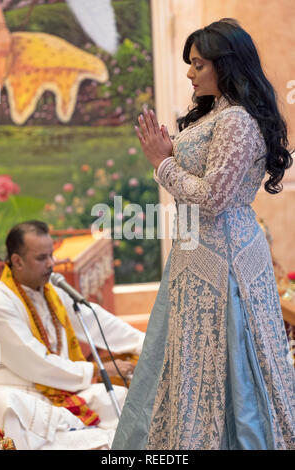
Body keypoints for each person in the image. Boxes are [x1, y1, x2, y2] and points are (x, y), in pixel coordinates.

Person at [112, 18, 295, 450]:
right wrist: (170, 152)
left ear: (224, 65)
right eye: (189, 64)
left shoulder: (236, 121)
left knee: (223, 363)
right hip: (199, 251)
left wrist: (163, 162)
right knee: (189, 357)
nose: (190, 73)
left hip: (223, 258)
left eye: (197, 64)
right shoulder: (216, 113)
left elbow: (215, 197)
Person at [0, 220, 145, 450]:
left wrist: (144, 343)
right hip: (24, 395)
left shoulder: (51, 292)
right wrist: (99, 370)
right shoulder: (1, 304)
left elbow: (95, 320)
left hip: (60, 391)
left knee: (121, 399)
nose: (51, 264)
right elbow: (37, 364)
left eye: (51, 255)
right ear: (17, 261)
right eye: (41, 258)